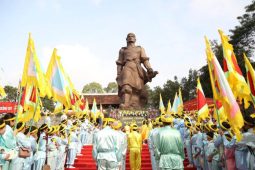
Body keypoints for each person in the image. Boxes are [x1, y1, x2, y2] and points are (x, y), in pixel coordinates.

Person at [116, 33, 158, 109]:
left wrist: (149, 69)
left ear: (135, 39)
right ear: (126, 39)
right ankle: (126, 104)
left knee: (141, 91)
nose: (130, 37)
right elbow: (119, 63)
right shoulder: (122, 50)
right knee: (126, 85)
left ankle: (136, 105)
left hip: (137, 69)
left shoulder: (140, 49)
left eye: (132, 36)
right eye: (129, 36)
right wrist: (118, 74)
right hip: (127, 67)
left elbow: (145, 60)